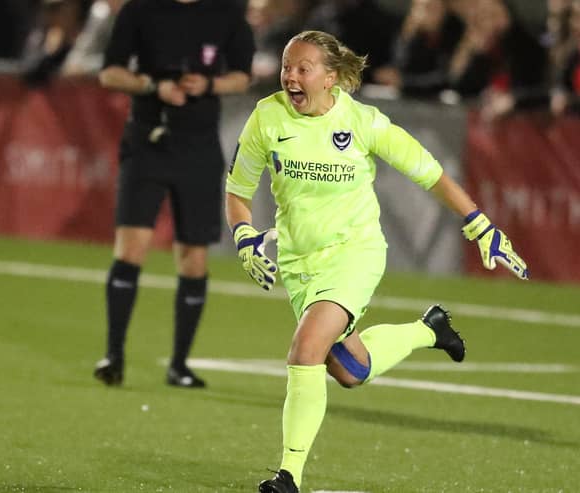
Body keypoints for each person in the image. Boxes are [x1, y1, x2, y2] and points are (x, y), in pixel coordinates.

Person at [225, 30, 528, 492]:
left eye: (302, 68)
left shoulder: (364, 122)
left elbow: (431, 173)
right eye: (287, 66)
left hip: (355, 254)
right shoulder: (267, 117)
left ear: (330, 78)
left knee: (305, 350)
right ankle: (430, 329)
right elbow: (238, 191)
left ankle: (289, 476)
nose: (290, 76)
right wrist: (245, 234)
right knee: (349, 370)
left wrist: (478, 223)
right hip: (299, 262)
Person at [93, 0, 255, 388]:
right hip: (146, 141)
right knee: (131, 248)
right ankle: (113, 356)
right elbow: (110, 74)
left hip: (198, 147)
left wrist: (209, 84)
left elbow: (243, 76)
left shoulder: (227, 13)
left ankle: (179, 364)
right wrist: (152, 85)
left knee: (194, 258)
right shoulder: (140, 10)